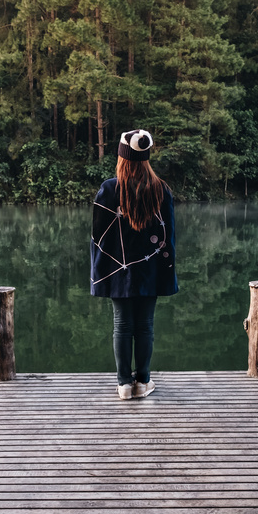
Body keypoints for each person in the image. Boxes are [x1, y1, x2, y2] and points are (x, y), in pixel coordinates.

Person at [91, 129, 178, 400]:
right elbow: (169, 236)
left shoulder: (108, 189)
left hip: (118, 270)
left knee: (122, 325)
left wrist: (100, 270)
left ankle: (123, 385)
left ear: (122, 157)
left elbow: (98, 237)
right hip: (150, 269)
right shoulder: (160, 189)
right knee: (145, 326)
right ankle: (143, 381)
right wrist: (167, 270)